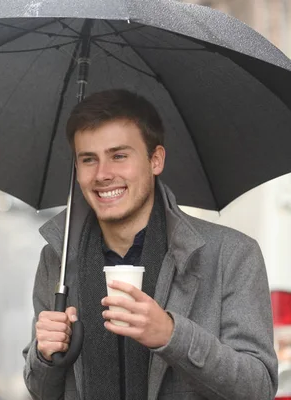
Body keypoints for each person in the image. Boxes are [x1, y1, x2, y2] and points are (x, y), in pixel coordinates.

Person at [22, 89, 278, 400]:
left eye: (119, 155)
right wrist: (46, 356)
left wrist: (171, 335)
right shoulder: (58, 259)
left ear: (155, 160)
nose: (103, 174)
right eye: (88, 159)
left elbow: (258, 388)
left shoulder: (232, 256)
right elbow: (41, 391)